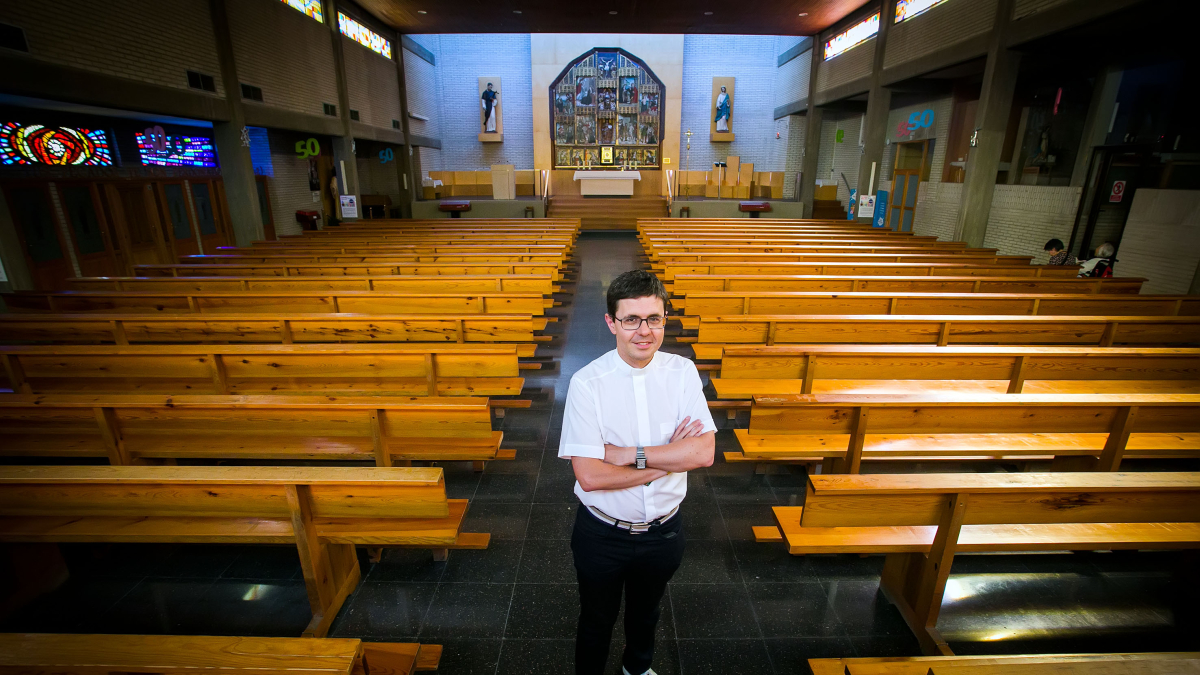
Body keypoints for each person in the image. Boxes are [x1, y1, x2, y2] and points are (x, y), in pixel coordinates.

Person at [559, 270, 716, 675]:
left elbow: (703, 453)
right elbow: (590, 477)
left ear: (665, 319)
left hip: (664, 531)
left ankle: (637, 668)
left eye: (654, 318)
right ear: (612, 323)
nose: (644, 331)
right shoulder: (586, 383)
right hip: (602, 533)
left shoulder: (681, 373)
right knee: (596, 620)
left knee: (646, 614)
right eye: (631, 320)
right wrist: (667, 461)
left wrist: (629, 456)